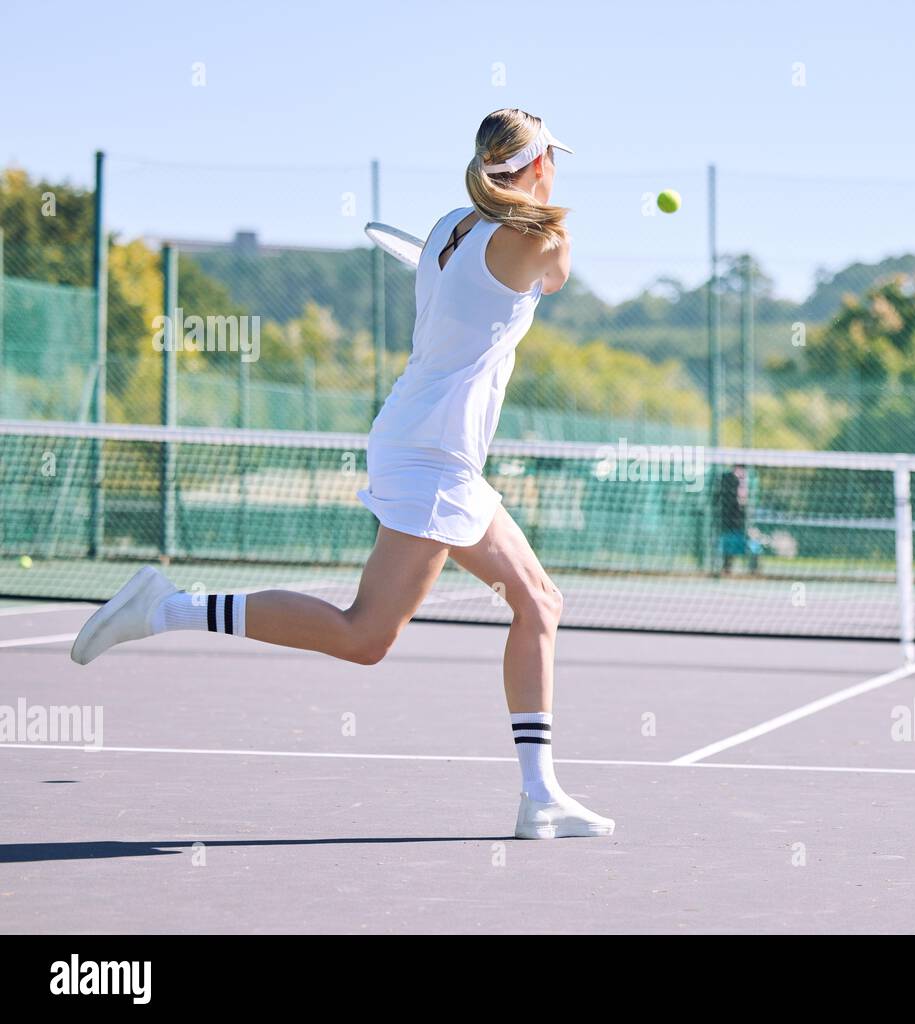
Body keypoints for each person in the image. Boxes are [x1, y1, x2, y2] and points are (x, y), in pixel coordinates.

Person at [69, 109, 613, 840]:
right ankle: (165, 607)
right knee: (364, 636)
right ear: (541, 165)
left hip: (431, 444)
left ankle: (538, 793)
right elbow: (553, 276)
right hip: (432, 458)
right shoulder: (544, 240)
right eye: (554, 160)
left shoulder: (454, 224)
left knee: (537, 600)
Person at [716, 464, 760, 574]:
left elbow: (744, 499)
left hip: (743, 520)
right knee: (729, 544)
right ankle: (727, 568)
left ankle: (753, 569)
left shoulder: (747, 481)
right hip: (730, 520)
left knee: (753, 542)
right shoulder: (727, 479)